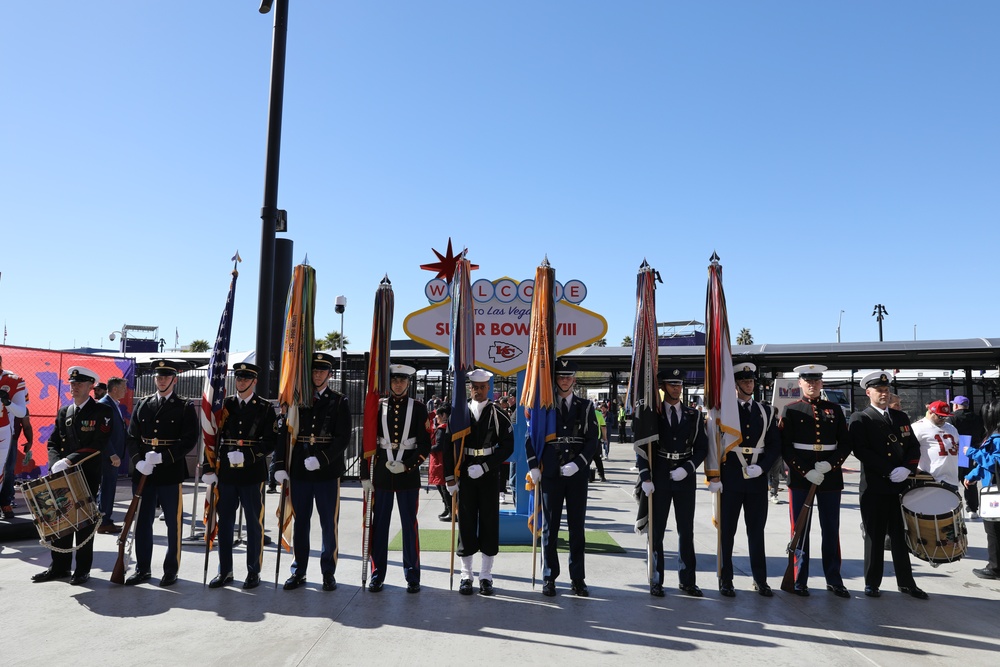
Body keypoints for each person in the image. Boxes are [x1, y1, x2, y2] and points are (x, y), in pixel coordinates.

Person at [274, 352, 351, 591]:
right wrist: (278, 465)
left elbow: (343, 438)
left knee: (329, 523)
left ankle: (328, 571)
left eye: (322, 371)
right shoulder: (297, 401)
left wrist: (322, 459)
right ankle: (299, 570)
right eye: (314, 371)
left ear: (330, 374)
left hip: (326, 471)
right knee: (301, 523)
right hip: (300, 470)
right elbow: (285, 435)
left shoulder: (338, 401)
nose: (317, 375)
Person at [849, 371, 927, 599]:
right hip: (875, 487)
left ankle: (906, 583)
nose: (883, 394)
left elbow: (914, 447)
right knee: (874, 537)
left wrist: (907, 469)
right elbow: (861, 450)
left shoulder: (900, 418)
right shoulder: (860, 418)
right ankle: (872, 583)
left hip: (900, 487)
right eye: (879, 391)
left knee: (901, 536)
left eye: (886, 390)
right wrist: (888, 470)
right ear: (869, 393)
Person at [32, 366, 113, 585]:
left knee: (84, 522)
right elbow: (53, 442)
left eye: (79, 384)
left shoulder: (102, 412)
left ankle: (82, 570)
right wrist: (54, 464)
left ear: (90, 386)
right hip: (61, 475)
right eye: (72, 383)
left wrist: (69, 460)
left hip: (86, 474)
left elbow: (99, 444)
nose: (74, 387)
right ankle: (59, 566)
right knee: (60, 519)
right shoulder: (65, 412)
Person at [526, 358, 598, 597]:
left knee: (577, 528)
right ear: (554, 379)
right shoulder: (544, 406)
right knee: (550, 528)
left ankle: (578, 578)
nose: (565, 380)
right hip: (552, 474)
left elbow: (592, 441)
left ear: (574, 380)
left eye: (569, 377)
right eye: (561, 376)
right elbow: (531, 436)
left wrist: (579, 464)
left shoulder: (586, 406)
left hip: (576, 475)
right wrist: (534, 465)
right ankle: (549, 576)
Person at [780, 364, 853, 597]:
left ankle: (834, 578)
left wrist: (831, 464)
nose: (812, 385)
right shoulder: (791, 410)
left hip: (830, 477)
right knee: (800, 529)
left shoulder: (834, 409)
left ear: (822, 383)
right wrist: (805, 471)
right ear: (800, 383)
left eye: (816, 381)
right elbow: (785, 447)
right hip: (802, 479)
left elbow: (845, 443)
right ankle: (799, 579)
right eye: (807, 381)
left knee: (831, 529)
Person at [124, 359, 199, 587]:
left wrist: (164, 457)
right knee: (143, 522)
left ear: (174, 380)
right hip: (145, 473)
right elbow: (132, 437)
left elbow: (189, 439)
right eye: (158, 377)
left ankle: (171, 570)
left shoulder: (184, 406)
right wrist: (138, 461)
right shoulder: (144, 404)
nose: (161, 381)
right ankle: (142, 568)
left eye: (165, 377)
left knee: (173, 525)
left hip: (169, 472)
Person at [203, 362, 277, 590]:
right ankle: (225, 570)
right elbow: (212, 437)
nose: (241, 382)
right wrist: (209, 467)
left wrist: (248, 455)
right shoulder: (225, 405)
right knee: (225, 523)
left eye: (246, 378)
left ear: (254, 381)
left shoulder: (264, 407)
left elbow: (270, 441)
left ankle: (253, 571)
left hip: (252, 472)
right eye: (239, 378)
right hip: (226, 472)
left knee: (254, 524)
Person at [361, 363, 431, 593]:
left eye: (402, 380)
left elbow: (425, 444)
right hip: (381, 475)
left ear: (409, 383)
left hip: (407, 476)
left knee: (409, 527)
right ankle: (377, 574)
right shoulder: (377, 406)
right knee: (379, 527)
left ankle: (412, 575)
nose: (398, 384)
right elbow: (369, 441)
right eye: (394, 380)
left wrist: (408, 466)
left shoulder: (419, 409)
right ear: (389, 383)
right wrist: (364, 473)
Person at [443, 368, 514, 596]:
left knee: (489, 521)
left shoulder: (498, 414)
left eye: (483, 387)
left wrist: (485, 466)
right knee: (465, 521)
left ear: (488, 388)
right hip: (465, 473)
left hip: (489, 474)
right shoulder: (459, 414)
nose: (479, 391)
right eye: (475, 387)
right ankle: (466, 575)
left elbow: (508, 447)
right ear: (469, 388)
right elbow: (448, 446)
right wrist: (450, 477)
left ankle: (486, 575)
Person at [638, 367, 707, 597]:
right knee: (656, 532)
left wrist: (688, 468)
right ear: (662, 387)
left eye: (679, 384)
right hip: (660, 474)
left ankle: (687, 580)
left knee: (686, 530)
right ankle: (656, 579)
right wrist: (645, 476)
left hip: (684, 477)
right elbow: (642, 448)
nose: (676, 388)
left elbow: (701, 447)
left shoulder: (693, 415)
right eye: (671, 384)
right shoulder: (652, 416)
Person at [716, 363, 781, 597]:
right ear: (735, 384)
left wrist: (763, 468)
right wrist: (714, 476)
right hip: (731, 476)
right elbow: (714, 446)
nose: (749, 385)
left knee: (756, 531)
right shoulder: (724, 411)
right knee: (727, 532)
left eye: (751, 381)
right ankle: (726, 579)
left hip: (755, 478)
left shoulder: (766, 411)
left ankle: (760, 579)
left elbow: (775, 445)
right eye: (744, 381)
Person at [964, 398, 1000, 580]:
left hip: (995, 494)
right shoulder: (993, 437)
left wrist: (971, 453)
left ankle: (995, 568)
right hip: (991, 490)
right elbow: (988, 463)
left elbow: (994, 463)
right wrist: (972, 476)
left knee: (993, 532)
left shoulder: (998, 438)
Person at [96, 376, 127, 534]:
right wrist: (112, 454)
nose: (125, 391)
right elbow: (103, 434)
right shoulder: (104, 405)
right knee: (107, 489)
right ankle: (103, 521)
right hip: (108, 457)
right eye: (122, 388)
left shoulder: (113, 404)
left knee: (109, 488)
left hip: (113, 455)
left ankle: (105, 519)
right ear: (114, 389)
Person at [911, 401, 961, 490]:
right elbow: (908, 450)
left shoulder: (951, 427)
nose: (943, 419)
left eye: (945, 416)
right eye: (940, 416)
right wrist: (915, 469)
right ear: (930, 412)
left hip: (951, 478)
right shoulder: (917, 427)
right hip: (930, 478)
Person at [0, 354, 28, 512]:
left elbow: (23, 411)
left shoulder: (14, 380)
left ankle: (5, 502)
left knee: (8, 468)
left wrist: (7, 402)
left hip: (6, 430)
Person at [951, 396, 985, 519]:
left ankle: (952, 507)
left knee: (953, 481)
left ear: (955, 405)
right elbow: (983, 434)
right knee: (970, 481)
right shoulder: (977, 418)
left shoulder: (953, 418)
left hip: (957, 451)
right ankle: (973, 509)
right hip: (972, 451)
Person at [430, 403, 452, 521]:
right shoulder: (448, 427)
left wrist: (427, 449)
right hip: (442, 460)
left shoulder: (442, 429)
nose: (436, 418)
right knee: (441, 486)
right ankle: (447, 508)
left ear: (443, 415)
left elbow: (439, 446)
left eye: (437, 416)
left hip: (441, 461)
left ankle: (451, 511)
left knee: (443, 487)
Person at [591, 403, 608, 483]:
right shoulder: (598, 414)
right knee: (598, 459)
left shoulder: (584, 412)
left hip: (586, 439)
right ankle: (602, 476)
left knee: (586, 459)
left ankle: (587, 476)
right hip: (596, 439)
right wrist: (604, 438)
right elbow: (603, 427)